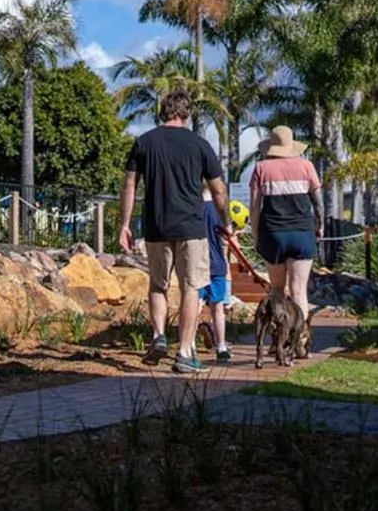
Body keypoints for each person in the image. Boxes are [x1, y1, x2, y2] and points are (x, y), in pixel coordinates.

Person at [119, 89, 232, 374]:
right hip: (191, 227)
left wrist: (124, 224)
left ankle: (158, 335)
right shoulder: (200, 144)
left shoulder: (144, 142)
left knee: (158, 285)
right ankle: (183, 351)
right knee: (190, 288)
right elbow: (218, 189)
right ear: (187, 114)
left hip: (156, 225)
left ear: (163, 112)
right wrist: (226, 221)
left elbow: (129, 185)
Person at [249, 125, 323, 323]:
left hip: (273, 234)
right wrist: (319, 225)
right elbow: (317, 201)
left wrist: (256, 236)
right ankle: (300, 340)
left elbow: (255, 208)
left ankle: (277, 338)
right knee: (299, 291)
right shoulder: (306, 166)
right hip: (302, 232)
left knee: (277, 290)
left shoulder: (261, 168)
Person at [198, 191, 232, 362]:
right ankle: (221, 346)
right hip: (217, 264)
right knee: (218, 308)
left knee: (194, 306)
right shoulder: (219, 211)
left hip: (196, 263)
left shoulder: (193, 208)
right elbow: (226, 238)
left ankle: (187, 345)